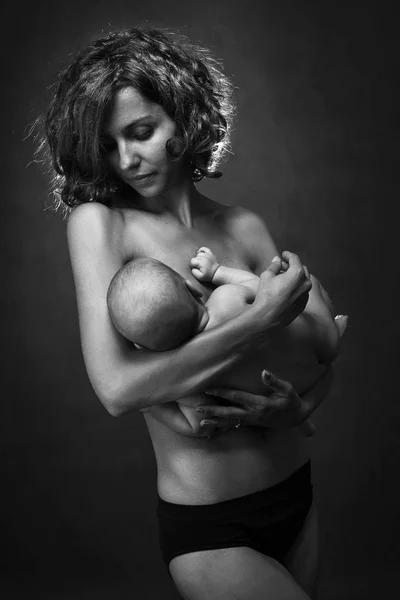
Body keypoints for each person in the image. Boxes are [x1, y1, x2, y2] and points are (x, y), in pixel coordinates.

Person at [39, 26, 347, 599]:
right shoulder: (102, 225)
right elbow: (116, 388)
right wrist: (259, 320)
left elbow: (312, 354)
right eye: (109, 145)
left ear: (183, 119)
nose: (127, 159)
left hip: (296, 496)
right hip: (213, 528)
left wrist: (297, 409)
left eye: (141, 133)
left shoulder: (244, 226)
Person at [106, 247, 345, 437]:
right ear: (192, 288)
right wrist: (217, 271)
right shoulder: (225, 297)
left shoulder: (192, 382)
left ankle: (304, 424)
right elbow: (262, 290)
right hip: (324, 342)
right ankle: (334, 324)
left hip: (306, 382)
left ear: (145, 348)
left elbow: (199, 426)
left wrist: (150, 405)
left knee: (276, 385)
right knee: (308, 282)